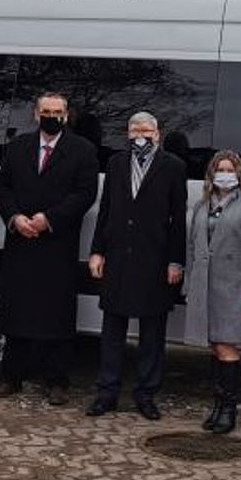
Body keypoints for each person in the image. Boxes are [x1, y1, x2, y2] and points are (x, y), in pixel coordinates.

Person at [0, 92, 99, 405]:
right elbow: (2, 186)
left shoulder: (82, 150)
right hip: (20, 241)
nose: (52, 116)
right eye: (46, 111)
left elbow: (84, 193)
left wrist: (48, 219)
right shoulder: (18, 147)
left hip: (57, 243)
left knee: (56, 314)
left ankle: (56, 381)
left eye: (59, 111)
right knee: (17, 309)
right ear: (36, 114)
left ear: (67, 115)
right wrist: (14, 217)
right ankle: (10, 376)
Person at [86, 111, 188, 421]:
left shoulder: (173, 166)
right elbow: (105, 210)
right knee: (112, 330)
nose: (140, 135)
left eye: (146, 130)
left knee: (152, 334)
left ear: (157, 133)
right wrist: (97, 251)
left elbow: (177, 219)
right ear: (127, 134)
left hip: (154, 259)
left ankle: (146, 394)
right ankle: (107, 392)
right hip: (117, 255)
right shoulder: (117, 163)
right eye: (134, 130)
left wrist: (175, 260)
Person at [183, 150, 241, 434]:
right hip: (204, 284)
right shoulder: (201, 204)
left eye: (230, 170)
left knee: (226, 345)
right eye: (219, 169)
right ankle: (217, 407)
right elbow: (192, 248)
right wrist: (189, 284)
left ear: (240, 173)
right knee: (213, 344)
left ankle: (228, 410)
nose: (224, 174)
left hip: (234, 286)